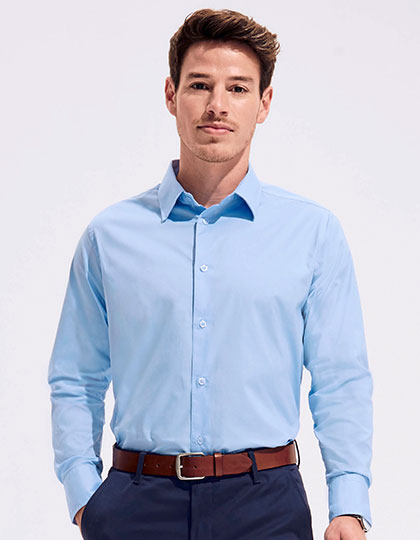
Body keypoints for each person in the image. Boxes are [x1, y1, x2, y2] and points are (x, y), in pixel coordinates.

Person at [48, 8, 373, 540]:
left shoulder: (313, 233)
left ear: (263, 103)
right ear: (171, 94)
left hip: (267, 505)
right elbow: (75, 377)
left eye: (238, 88)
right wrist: (86, 498)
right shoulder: (109, 236)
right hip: (135, 505)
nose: (217, 105)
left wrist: (349, 504)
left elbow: (340, 379)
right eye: (200, 85)